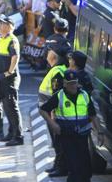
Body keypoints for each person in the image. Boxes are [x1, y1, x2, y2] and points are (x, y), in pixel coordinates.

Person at [39, 70, 103, 182]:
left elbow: (93, 115)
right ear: (64, 83)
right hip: (67, 137)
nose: (73, 86)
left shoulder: (85, 95)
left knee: (86, 170)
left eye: (74, 83)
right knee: (74, 169)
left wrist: (100, 132)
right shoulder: (59, 96)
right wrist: (53, 124)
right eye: (70, 83)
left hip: (82, 137)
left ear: (78, 83)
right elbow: (43, 110)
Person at [38, 43, 68, 177]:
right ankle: (57, 165)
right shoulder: (55, 69)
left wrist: (54, 115)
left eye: (49, 51)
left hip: (54, 114)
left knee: (59, 142)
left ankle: (62, 168)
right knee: (56, 142)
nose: (47, 54)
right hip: (50, 113)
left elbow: (57, 95)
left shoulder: (58, 72)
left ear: (55, 56)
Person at [0, 14, 23, 146]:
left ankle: (18, 136)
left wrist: (8, 73)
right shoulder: (2, 39)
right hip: (2, 78)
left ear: (9, 26)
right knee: (7, 107)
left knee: (12, 106)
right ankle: (11, 133)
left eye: (2, 24)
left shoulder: (12, 39)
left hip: (9, 79)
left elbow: (15, 57)